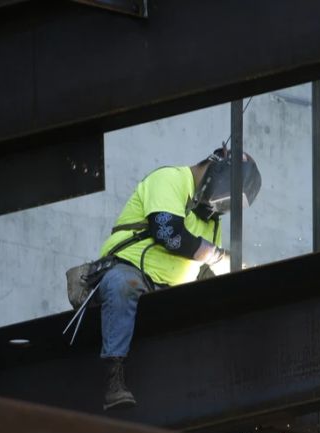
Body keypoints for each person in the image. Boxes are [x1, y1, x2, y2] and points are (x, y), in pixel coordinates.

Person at [97, 147, 262, 409]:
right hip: (130, 270)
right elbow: (168, 233)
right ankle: (112, 377)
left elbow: (203, 270)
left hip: (169, 290)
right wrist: (217, 256)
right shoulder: (170, 179)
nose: (223, 206)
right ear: (216, 171)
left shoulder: (211, 222)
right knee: (124, 286)